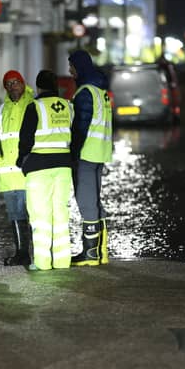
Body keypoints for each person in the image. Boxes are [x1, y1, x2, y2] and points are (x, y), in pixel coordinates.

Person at [17, 70, 73, 271]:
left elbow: (25, 139)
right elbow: (74, 136)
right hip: (64, 166)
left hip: (39, 167)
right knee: (60, 213)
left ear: (38, 87)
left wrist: (21, 161)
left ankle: (42, 263)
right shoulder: (68, 106)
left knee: (40, 215)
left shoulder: (35, 107)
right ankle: (62, 261)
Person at [68, 50, 113, 266]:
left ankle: (90, 254)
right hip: (100, 152)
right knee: (94, 200)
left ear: (80, 67)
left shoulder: (85, 92)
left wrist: (73, 151)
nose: (70, 71)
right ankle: (101, 251)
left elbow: (81, 126)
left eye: (72, 67)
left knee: (86, 202)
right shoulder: (101, 91)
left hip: (86, 153)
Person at [0, 70, 35, 266]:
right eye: (8, 83)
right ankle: (21, 253)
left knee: (33, 212)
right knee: (15, 214)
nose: (12, 86)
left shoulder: (33, 106)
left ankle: (36, 252)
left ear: (23, 84)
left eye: (16, 82)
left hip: (29, 171)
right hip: (8, 173)